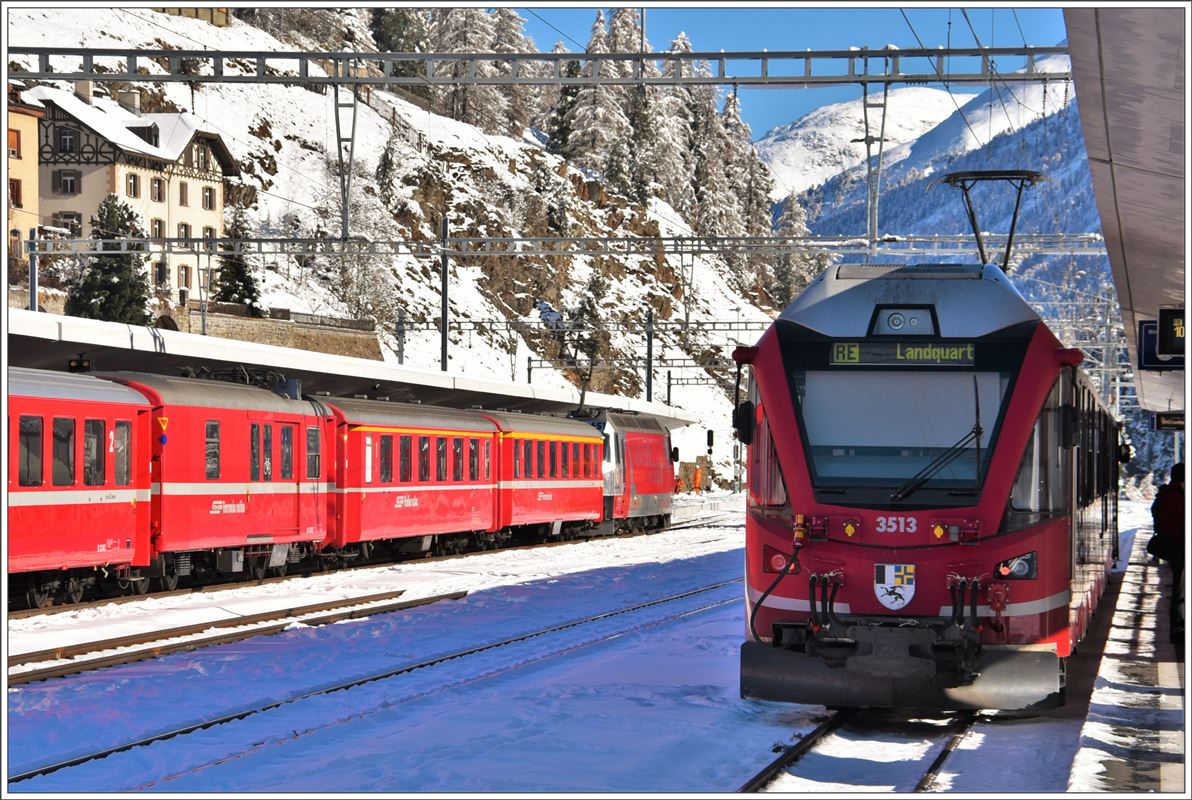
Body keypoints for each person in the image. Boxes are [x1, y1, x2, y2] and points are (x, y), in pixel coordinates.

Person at [1151, 462, 1185, 644]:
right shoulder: (1176, 498)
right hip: (1179, 549)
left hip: (1176, 548)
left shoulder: (1170, 494)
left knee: (1180, 590)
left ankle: (1179, 627)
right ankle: (1178, 629)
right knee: (1180, 591)